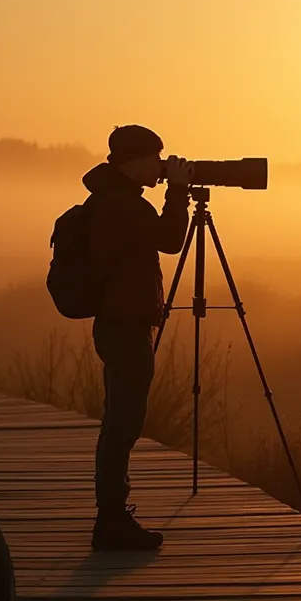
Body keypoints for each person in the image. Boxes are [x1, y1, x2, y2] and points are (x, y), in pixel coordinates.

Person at [82, 124, 192, 550]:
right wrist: (178, 192)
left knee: (119, 421)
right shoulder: (124, 205)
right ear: (133, 161)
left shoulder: (113, 199)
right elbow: (171, 239)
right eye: (155, 158)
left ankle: (110, 517)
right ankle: (111, 522)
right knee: (123, 423)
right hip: (125, 327)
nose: (161, 166)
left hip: (119, 323)